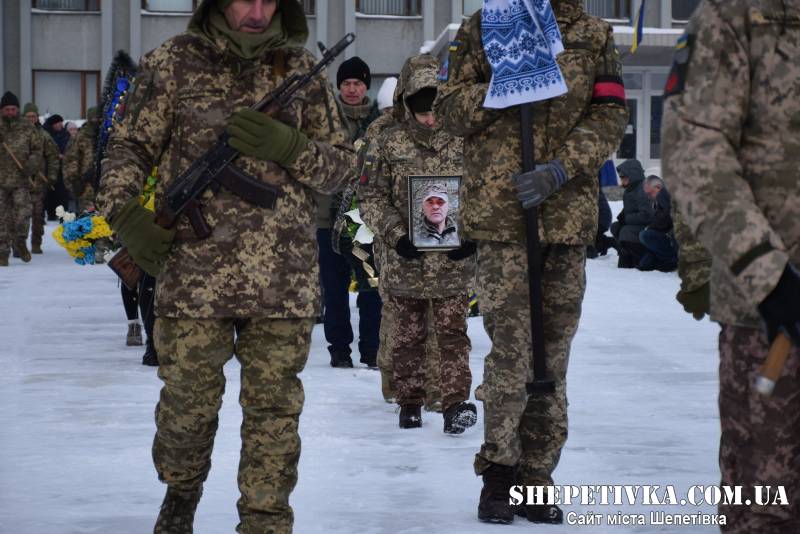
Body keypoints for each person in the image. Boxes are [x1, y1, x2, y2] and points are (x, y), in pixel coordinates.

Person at [96, 0, 352, 532]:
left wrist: (292, 147)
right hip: (193, 279)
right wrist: (127, 217)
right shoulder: (172, 63)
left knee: (274, 418)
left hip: (282, 283)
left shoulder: (303, 73)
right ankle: (181, 494)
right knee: (185, 413)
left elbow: (343, 168)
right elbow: (127, 148)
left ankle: (265, 519)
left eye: (268, 0)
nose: (257, 10)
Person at [435, 0, 628, 523]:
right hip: (502, 216)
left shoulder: (593, 33)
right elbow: (449, 108)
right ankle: (499, 471)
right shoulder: (483, 27)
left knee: (553, 356)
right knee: (513, 352)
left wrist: (562, 169)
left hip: (563, 214)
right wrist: (508, 86)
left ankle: (537, 477)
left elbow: (610, 113)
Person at [662, 2, 800, 531]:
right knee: (770, 507)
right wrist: (769, 278)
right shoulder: (737, 15)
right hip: (773, 316)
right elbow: (694, 150)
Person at [360, 54, 478, 433]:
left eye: (434, 109)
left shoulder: (463, 138)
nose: (429, 118)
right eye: (421, 109)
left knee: (453, 336)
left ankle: (456, 403)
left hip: (451, 260)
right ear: (407, 104)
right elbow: (372, 196)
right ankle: (409, 402)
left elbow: (483, 190)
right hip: (405, 259)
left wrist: (471, 231)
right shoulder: (386, 140)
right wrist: (395, 235)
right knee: (407, 336)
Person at [316, 55, 382, 368]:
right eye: (346, 83)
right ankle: (339, 348)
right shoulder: (325, 120)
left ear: (366, 86)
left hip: (365, 218)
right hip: (327, 215)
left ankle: (372, 349)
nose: (352, 89)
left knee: (371, 283)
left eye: (357, 83)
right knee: (334, 285)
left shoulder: (380, 123)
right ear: (338, 86)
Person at [0, 91, 42, 265]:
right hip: (1, 181)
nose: (10, 112)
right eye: (7, 109)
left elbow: (37, 150)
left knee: (23, 215)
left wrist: (30, 166)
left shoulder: (27, 127)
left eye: (13, 109)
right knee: (2, 218)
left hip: (21, 180)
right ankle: (2, 252)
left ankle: (20, 240)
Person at [22, 103, 59, 254]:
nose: (31, 119)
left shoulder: (44, 136)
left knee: (37, 214)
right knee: (20, 215)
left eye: (33, 116)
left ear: (37, 118)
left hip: (38, 181)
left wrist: (51, 176)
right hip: (20, 182)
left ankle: (36, 243)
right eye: (28, 116)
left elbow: (53, 157)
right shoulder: (17, 134)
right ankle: (19, 244)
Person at [610, 158, 653, 268]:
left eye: (623, 177)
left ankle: (640, 259)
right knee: (615, 227)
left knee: (626, 231)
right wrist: (622, 216)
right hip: (637, 223)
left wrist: (627, 219)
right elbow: (631, 207)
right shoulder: (632, 188)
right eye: (620, 177)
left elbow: (647, 215)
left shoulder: (642, 190)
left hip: (648, 226)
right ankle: (626, 257)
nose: (621, 180)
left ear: (632, 175)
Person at [637, 175, 677, 272]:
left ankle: (670, 261)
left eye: (650, 193)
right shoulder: (666, 193)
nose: (648, 197)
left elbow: (666, 218)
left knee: (645, 235)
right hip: (671, 233)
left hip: (673, 234)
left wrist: (651, 227)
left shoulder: (662, 194)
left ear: (658, 187)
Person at [64, 107, 100, 213]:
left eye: (99, 118)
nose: (97, 121)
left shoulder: (106, 135)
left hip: (104, 182)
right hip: (85, 184)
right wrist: (74, 181)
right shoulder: (80, 137)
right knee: (86, 218)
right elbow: (70, 160)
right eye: (94, 118)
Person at [413, 182, 460, 248]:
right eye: (430, 202)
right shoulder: (413, 235)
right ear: (423, 207)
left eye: (440, 202)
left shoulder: (462, 233)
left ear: (448, 206)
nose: (435, 207)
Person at [43, 114, 72, 220]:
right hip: (50, 167)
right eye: (58, 122)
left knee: (63, 192)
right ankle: (50, 213)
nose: (60, 125)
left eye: (61, 122)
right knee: (50, 191)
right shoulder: (46, 135)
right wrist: (56, 155)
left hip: (63, 168)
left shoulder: (65, 134)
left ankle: (63, 214)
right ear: (53, 124)